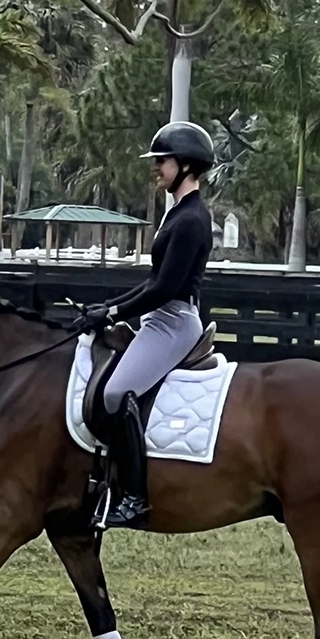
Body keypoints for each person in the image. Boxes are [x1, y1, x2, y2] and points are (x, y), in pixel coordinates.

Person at [76, 121, 215, 529]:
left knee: (117, 392)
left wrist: (113, 313)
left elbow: (165, 288)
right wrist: (108, 307)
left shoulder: (191, 219)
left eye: (162, 160)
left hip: (174, 322)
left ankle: (135, 496)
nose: (156, 167)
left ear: (186, 165)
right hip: (161, 317)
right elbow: (153, 282)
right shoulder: (179, 213)